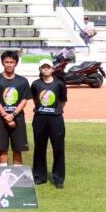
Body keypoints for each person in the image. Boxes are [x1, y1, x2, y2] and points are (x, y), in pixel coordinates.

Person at [0, 51, 32, 166]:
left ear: (16, 63)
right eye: (6, 62)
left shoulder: (22, 81)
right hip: (0, 118)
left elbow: (24, 100)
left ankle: (16, 174)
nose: (9, 64)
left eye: (11, 62)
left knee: (17, 147)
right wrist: (5, 115)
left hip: (17, 117)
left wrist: (12, 115)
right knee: (2, 147)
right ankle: (4, 174)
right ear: (2, 63)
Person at [31, 59, 67, 188]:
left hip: (56, 119)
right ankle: (40, 176)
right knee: (39, 147)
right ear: (40, 69)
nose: (45, 69)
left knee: (58, 148)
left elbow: (62, 101)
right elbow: (35, 100)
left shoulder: (60, 84)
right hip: (40, 118)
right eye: (43, 67)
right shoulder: (35, 84)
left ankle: (58, 178)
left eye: (48, 67)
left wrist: (56, 110)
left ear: (52, 69)